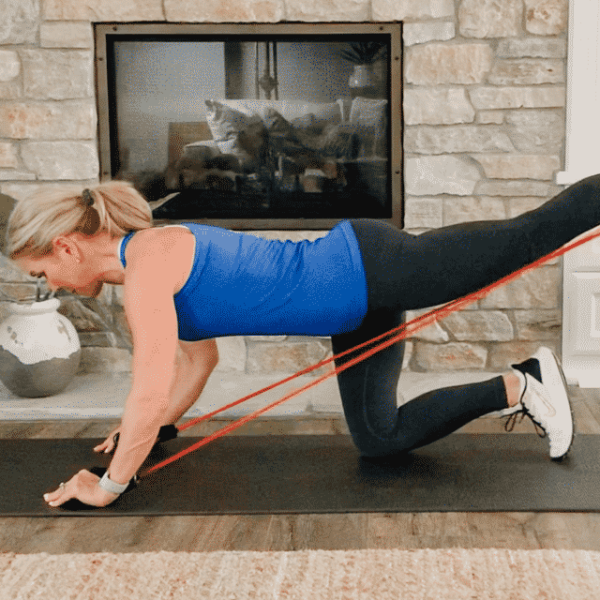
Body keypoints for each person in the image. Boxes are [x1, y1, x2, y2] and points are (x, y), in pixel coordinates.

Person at [7, 174, 600, 508]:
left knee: (529, 237)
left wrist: (109, 485)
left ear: (65, 247)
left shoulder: (147, 270)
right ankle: (523, 384)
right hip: (355, 303)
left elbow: (147, 386)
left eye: (41, 273)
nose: (49, 284)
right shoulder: (148, 261)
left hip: (370, 267)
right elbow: (197, 359)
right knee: (380, 438)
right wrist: (158, 425)